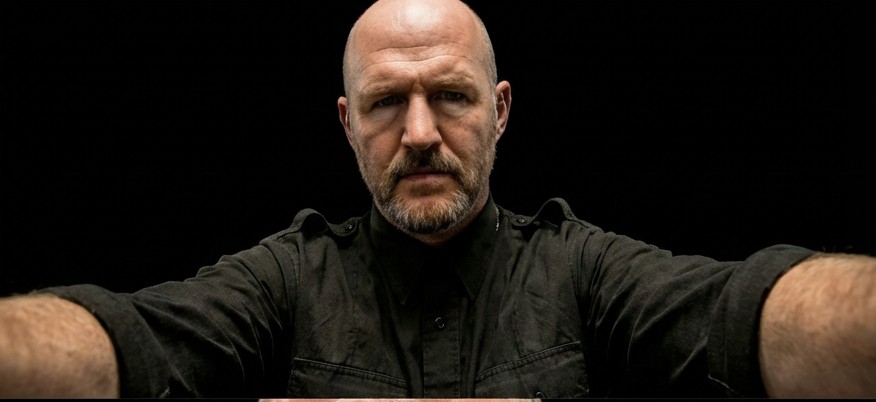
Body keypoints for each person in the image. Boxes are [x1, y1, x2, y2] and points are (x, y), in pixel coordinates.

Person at [1, 0, 873, 398]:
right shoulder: (287, 279)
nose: (419, 132)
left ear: (500, 110)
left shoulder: (579, 268)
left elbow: (739, 317)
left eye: (451, 95)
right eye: (386, 102)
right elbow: (136, 344)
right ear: (348, 122)